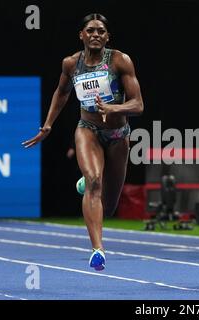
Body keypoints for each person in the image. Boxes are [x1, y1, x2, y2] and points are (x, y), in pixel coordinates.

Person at [22, 13, 144, 271]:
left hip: (118, 135)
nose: (96, 34)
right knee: (95, 182)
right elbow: (62, 92)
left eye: (101, 31)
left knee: (109, 206)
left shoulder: (120, 61)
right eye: (90, 30)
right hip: (87, 129)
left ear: (107, 36)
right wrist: (48, 125)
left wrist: (113, 109)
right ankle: (97, 249)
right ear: (82, 35)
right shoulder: (71, 64)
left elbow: (138, 105)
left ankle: (87, 182)